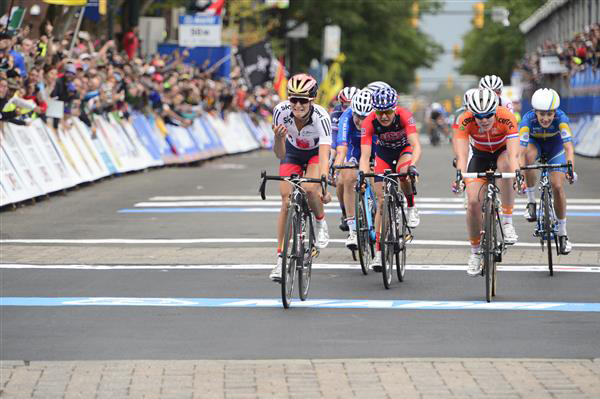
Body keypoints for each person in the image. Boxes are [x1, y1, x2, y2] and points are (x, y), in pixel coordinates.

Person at [269, 73, 333, 282]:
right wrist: (278, 138)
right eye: (293, 99)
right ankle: (280, 259)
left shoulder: (321, 117)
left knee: (309, 188)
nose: (297, 105)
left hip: (316, 153)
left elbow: (324, 155)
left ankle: (320, 222)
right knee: (286, 201)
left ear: (312, 100)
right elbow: (279, 154)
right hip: (292, 152)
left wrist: (323, 184)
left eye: (303, 100)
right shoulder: (280, 111)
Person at [452, 88, 520, 277]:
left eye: (488, 115)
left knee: (506, 167)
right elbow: (463, 154)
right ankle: (474, 252)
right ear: (472, 114)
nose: (484, 120)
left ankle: (507, 221)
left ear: (495, 110)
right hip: (480, 155)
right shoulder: (465, 120)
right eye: (479, 116)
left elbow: (514, 154)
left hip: (502, 152)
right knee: (473, 202)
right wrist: (460, 176)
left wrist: (518, 174)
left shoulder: (506, 116)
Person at [358, 87, 421, 271]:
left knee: (403, 174)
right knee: (381, 202)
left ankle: (410, 205)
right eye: (379, 112)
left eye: (387, 111)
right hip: (383, 155)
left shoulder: (404, 116)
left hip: (404, 152)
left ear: (395, 108)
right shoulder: (369, 122)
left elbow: (416, 145)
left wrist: (413, 164)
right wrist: (362, 174)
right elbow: (364, 156)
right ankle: (378, 252)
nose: (384, 116)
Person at [519, 88, 576, 254]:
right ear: (535, 112)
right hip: (534, 145)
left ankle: (563, 233)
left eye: (549, 114)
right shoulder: (527, 120)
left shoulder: (562, 119)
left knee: (557, 185)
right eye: (541, 114)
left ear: (555, 112)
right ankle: (531, 201)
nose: (545, 118)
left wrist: (570, 167)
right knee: (528, 157)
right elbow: (520, 153)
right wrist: (520, 175)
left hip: (555, 148)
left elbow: (568, 148)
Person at [334, 89, 373, 249]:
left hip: (373, 145)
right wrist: (336, 167)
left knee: (377, 177)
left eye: (365, 117)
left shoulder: (376, 118)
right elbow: (341, 148)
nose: (360, 121)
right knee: (348, 177)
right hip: (353, 148)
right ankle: (353, 231)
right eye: (357, 116)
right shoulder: (345, 118)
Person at [331, 86, 358, 231]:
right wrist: (332, 165)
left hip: (362, 144)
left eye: (351, 105)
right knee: (341, 181)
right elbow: (335, 143)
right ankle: (345, 211)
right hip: (346, 146)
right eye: (345, 105)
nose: (347, 108)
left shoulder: (365, 112)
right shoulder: (337, 114)